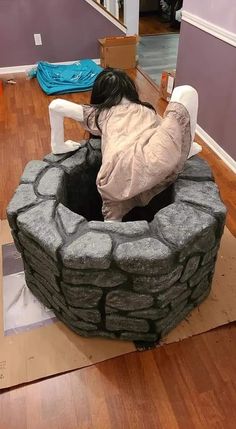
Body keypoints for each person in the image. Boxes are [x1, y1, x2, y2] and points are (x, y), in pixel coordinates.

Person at [49, 68, 200, 221]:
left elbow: (56, 106)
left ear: (100, 95)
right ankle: (187, 148)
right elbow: (167, 132)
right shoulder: (146, 110)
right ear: (130, 90)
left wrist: (58, 145)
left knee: (113, 217)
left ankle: (112, 223)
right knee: (186, 91)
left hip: (112, 177)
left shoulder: (100, 113)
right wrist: (183, 144)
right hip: (153, 160)